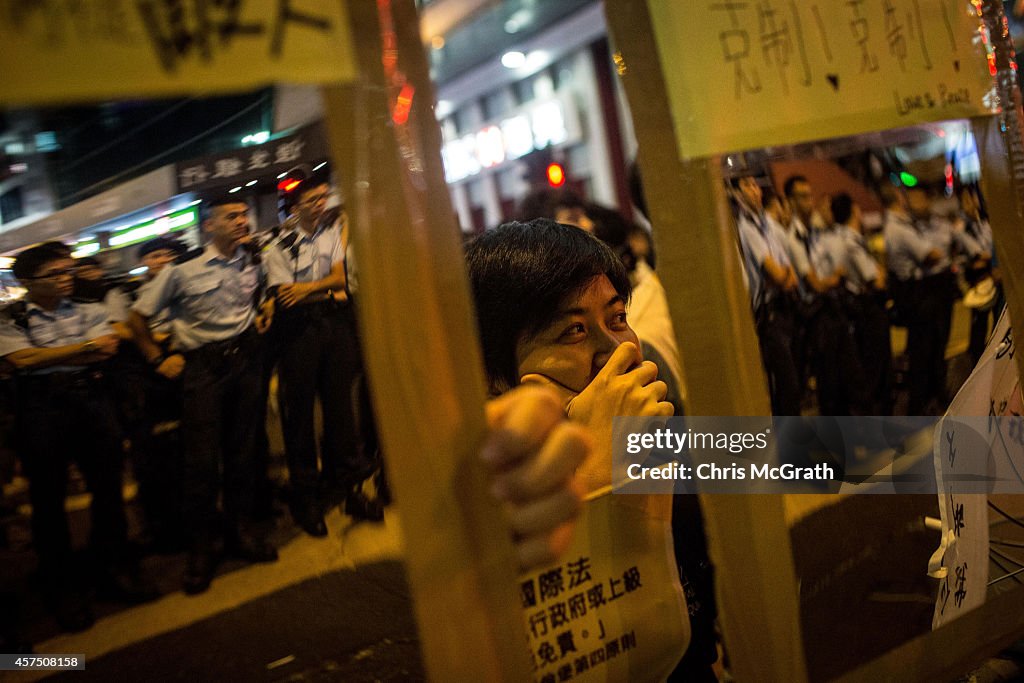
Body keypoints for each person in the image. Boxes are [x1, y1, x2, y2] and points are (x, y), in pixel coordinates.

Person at [466, 219, 718, 680]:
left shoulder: (658, 438)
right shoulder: (492, 508)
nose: (618, 352)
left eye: (618, 318)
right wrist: (600, 482)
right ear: (494, 377)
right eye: (573, 332)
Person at [0, 242, 156, 632]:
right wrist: (81, 348)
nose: (66, 279)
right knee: (47, 500)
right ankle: (61, 584)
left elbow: (105, 350)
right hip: (41, 410)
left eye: (67, 271)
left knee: (108, 489)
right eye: (55, 274)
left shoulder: (89, 306)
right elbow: (18, 360)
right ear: (27, 282)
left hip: (92, 400)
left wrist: (51, 355)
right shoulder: (10, 319)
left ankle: (112, 569)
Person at [128, 194, 276, 595]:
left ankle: (240, 533)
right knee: (202, 463)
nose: (242, 220)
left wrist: (261, 311)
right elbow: (137, 317)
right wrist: (157, 357)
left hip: (245, 363)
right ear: (209, 226)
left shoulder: (252, 259)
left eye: (244, 214)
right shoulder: (181, 272)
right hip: (203, 371)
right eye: (232, 216)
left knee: (243, 453)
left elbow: (255, 296)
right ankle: (201, 549)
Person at [264, 176, 380, 536]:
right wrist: (318, 289)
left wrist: (309, 289)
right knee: (299, 418)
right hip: (298, 335)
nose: (320, 203)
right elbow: (285, 295)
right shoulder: (277, 245)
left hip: (333, 327)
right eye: (311, 199)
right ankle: (306, 499)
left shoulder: (331, 234)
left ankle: (348, 488)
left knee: (340, 411)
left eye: (322, 197)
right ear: (294, 206)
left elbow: (338, 280)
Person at [130, 236, 189, 552]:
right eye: (153, 255)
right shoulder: (130, 293)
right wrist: (157, 345)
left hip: (181, 366)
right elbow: (124, 329)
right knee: (155, 454)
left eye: (166, 254)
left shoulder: (181, 283)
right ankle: (159, 526)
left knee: (187, 447)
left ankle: (187, 518)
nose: (161, 260)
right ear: (143, 261)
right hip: (150, 376)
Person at [732, 176, 801, 415]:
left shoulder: (767, 225)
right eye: (747, 186)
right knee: (785, 384)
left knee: (795, 380)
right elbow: (777, 274)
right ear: (737, 194)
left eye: (755, 185)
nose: (755, 191)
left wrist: (784, 274)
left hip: (784, 309)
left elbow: (789, 270)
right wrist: (783, 275)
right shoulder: (746, 229)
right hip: (768, 315)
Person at [883, 185, 942, 415]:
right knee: (922, 352)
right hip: (916, 297)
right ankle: (919, 406)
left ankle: (921, 403)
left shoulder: (894, 226)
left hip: (912, 296)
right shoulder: (899, 229)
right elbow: (931, 254)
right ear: (897, 198)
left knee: (921, 350)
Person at [832, 194, 892, 415]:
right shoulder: (851, 242)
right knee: (876, 369)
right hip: (868, 311)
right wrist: (881, 270)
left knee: (875, 368)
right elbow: (875, 279)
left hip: (865, 310)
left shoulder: (847, 238)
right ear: (854, 211)